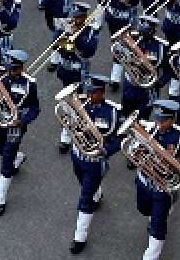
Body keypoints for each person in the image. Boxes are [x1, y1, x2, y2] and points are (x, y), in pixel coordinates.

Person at [67, 74, 123, 254]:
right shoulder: (80, 106)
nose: (90, 96)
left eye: (94, 93)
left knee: (85, 198)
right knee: (83, 184)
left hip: (95, 161)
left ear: (102, 92)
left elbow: (121, 138)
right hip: (77, 156)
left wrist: (106, 150)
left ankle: (79, 237)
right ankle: (96, 193)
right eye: (88, 92)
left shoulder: (112, 112)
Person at [0, 49, 39, 216]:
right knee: (0, 150)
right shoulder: (0, 79)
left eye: (15, 69)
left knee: (7, 158)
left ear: (22, 68)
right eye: (10, 69)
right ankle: (18, 157)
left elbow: (34, 109)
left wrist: (22, 121)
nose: (12, 73)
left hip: (16, 125)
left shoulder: (30, 84)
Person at [134, 99, 180, 260]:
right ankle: (161, 211)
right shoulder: (149, 129)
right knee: (143, 209)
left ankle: (151, 256)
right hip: (144, 182)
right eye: (157, 119)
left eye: (164, 120)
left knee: (158, 226)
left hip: (162, 187)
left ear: (173, 120)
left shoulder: (178, 137)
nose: (159, 123)